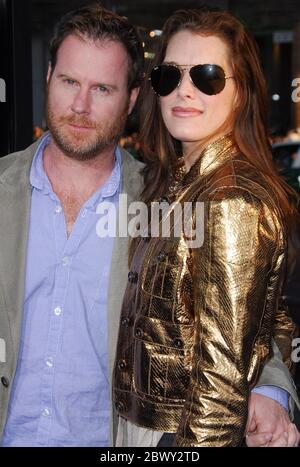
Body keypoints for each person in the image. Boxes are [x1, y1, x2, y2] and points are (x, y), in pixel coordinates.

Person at [0, 4, 296, 448]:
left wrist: (269, 389)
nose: (81, 105)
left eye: (102, 87)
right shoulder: (3, 190)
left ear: (133, 98)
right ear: (47, 78)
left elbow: (244, 315)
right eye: (69, 82)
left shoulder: (157, 199)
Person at [113, 7, 300, 447]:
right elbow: (273, 316)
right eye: (169, 76)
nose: (184, 91)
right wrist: (268, 388)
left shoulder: (231, 200)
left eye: (208, 76)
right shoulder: (178, 181)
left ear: (241, 92)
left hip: (181, 435)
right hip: (150, 425)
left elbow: (218, 388)